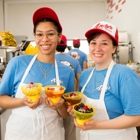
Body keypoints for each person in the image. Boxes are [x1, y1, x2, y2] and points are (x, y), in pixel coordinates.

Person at [0, 7, 75, 140]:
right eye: (40, 34)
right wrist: (23, 101)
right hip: (19, 133)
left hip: (52, 133)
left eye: (51, 34)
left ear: (59, 36)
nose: (44, 39)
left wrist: (59, 106)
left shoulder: (67, 72)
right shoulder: (18, 63)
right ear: (35, 37)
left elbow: (65, 114)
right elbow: (1, 99)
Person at [68, 21, 140, 140]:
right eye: (93, 43)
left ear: (114, 48)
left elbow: (137, 117)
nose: (97, 48)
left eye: (104, 43)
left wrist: (97, 125)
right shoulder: (85, 75)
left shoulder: (125, 75)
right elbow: (83, 106)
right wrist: (76, 110)